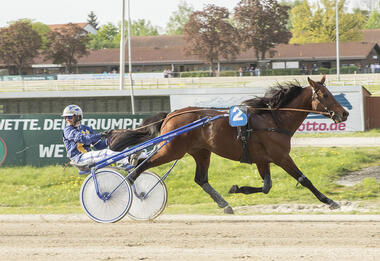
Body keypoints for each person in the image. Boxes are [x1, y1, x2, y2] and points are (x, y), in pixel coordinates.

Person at [61, 104, 143, 168]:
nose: (67, 119)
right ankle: (128, 160)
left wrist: (111, 139)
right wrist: (101, 135)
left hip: (89, 156)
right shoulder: (68, 130)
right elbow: (85, 139)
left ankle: (142, 158)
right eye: (65, 117)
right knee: (105, 153)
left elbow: (99, 146)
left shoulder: (87, 129)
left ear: (78, 116)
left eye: (70, 116)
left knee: (120, 147)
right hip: (79, 158)